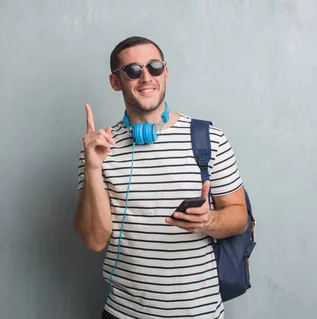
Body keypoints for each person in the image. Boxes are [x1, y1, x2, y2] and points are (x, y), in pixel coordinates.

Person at [73, 36, 249, 319]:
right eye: (132, 70)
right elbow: (95, 241)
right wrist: (93, 168)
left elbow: (239, 218)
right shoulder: (99, 148)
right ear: (115, 82)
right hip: (123, 313)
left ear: (165, 73)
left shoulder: (209, 139)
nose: (146, 77)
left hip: (200, 314)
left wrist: (210, 220)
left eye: (154, 67)